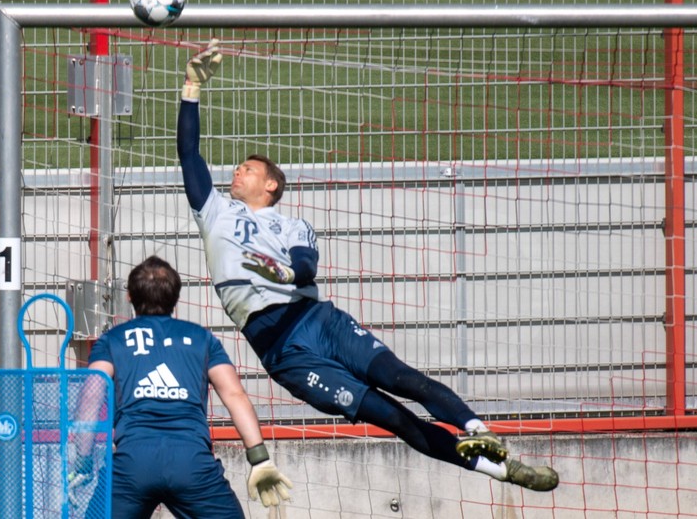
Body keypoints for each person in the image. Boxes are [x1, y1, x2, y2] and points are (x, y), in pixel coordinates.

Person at [175, 39, 559, 492]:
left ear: (272, 184)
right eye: (238, 168)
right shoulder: (213, 211)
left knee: (401, 378)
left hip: (317, 320)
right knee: (392, 418)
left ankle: (479, 431)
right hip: (280, 350)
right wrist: (191, 87)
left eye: (248, 168)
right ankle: (502, 471)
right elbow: (189, 152)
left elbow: (306, 266)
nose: (237, 173)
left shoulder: (292, 224)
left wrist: (284, 275)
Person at [73, 255, 292, 519]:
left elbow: (90, 398)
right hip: (192, 463)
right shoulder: (202, 339)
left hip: (133, 463)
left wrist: (83, 461)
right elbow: (235, 395)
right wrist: (259, 458)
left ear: (129, 296)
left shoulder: (111, 341)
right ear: (176, 297)